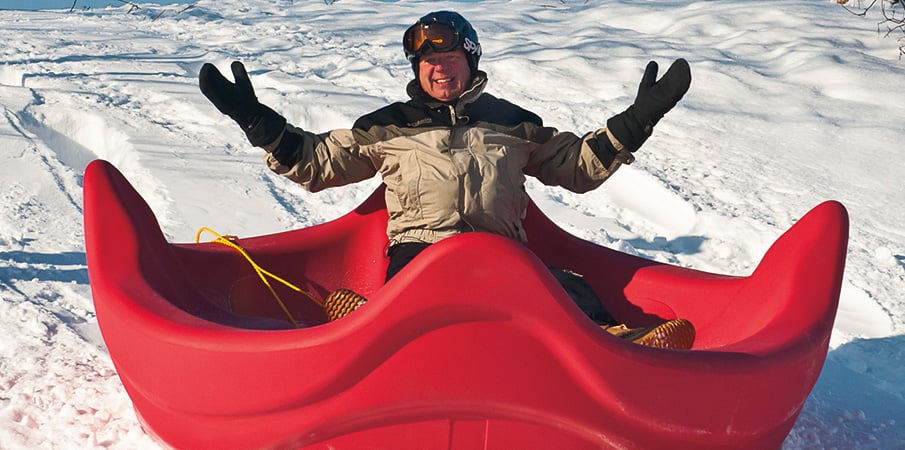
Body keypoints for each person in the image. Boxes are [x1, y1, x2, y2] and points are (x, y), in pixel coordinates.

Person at [199, 11, 695, 349]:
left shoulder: (513, 124)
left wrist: (637, 121)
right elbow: (317, 162)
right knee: (417, 296)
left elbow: (576, 166)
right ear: (418, 68)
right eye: (429, 62)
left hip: (503, 253)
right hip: (422, 251)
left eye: (449, 60)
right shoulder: (386, 126)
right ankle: (367, 327)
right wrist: (257, 121)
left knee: (565, 287)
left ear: (470, 62)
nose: (439, 70)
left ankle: (616, 342)